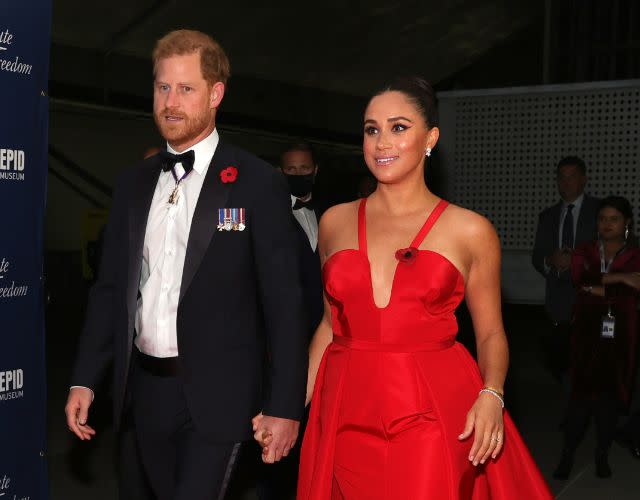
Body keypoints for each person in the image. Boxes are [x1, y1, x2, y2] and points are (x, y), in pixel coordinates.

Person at [256, 76, 552, 498]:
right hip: (343, 408)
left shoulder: (470, 230)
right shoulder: (335, 221)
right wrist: (287, 408)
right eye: (371, 129)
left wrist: (492, 392)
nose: (381, 142)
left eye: (398, 127)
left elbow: (490, 333)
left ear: (430, 137)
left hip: (431, 409)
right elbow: (328, 325)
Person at [64, 29, 307, 499]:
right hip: (143, 393)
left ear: (216, 94)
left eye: (186, 88)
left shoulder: (257, 183)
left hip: (221, 398)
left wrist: (284, 405)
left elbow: (285, 304)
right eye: (162, 88)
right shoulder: (133, 184)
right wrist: (85, 379)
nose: (170, 102)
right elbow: (111, 289)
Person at [256, 142, 325, 500]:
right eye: (290, 170)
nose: (297, 175)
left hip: (329, 338)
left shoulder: (335, 214)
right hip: (280, 342)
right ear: (279, 173)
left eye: (304, 168)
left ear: (316, 170)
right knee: (280, 423)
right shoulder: (266, 214)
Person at [553, 196, 640, 480]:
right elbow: (581, 279)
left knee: (609, 400)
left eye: (614, 219)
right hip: (586, 334)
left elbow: (632, 292)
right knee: (579, 398)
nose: (607, 224)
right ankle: (567, 453)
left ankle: (602, 454)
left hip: (621, 335)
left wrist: (601, 286)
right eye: (602, 219)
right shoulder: (585, 250)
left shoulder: (636, 253)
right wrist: (622, 278)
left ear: (627, 222)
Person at [532, 157, 600, 382]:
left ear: (584, 180)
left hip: (590, 299)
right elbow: (537, 257)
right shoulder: (548, 216)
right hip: (557, 304)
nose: (566, 182)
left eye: (571, 177)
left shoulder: (600, 212)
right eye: (561, 177)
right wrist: (550, 260)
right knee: (559, 367)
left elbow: (614, 252)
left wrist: (577, 261)